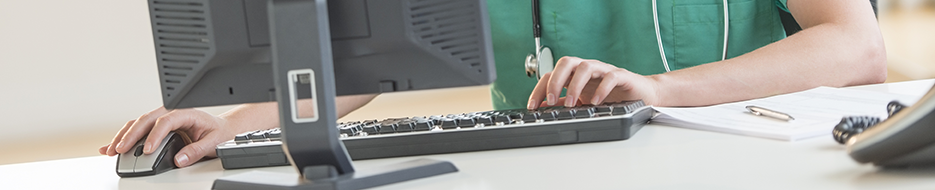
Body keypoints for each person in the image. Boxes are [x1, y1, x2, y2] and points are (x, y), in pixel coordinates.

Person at [99, 0, 886, 168]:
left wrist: (658, 89)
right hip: (539, 169)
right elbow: (364, 54)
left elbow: (855, 47)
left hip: (743, 167)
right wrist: (241, 121)